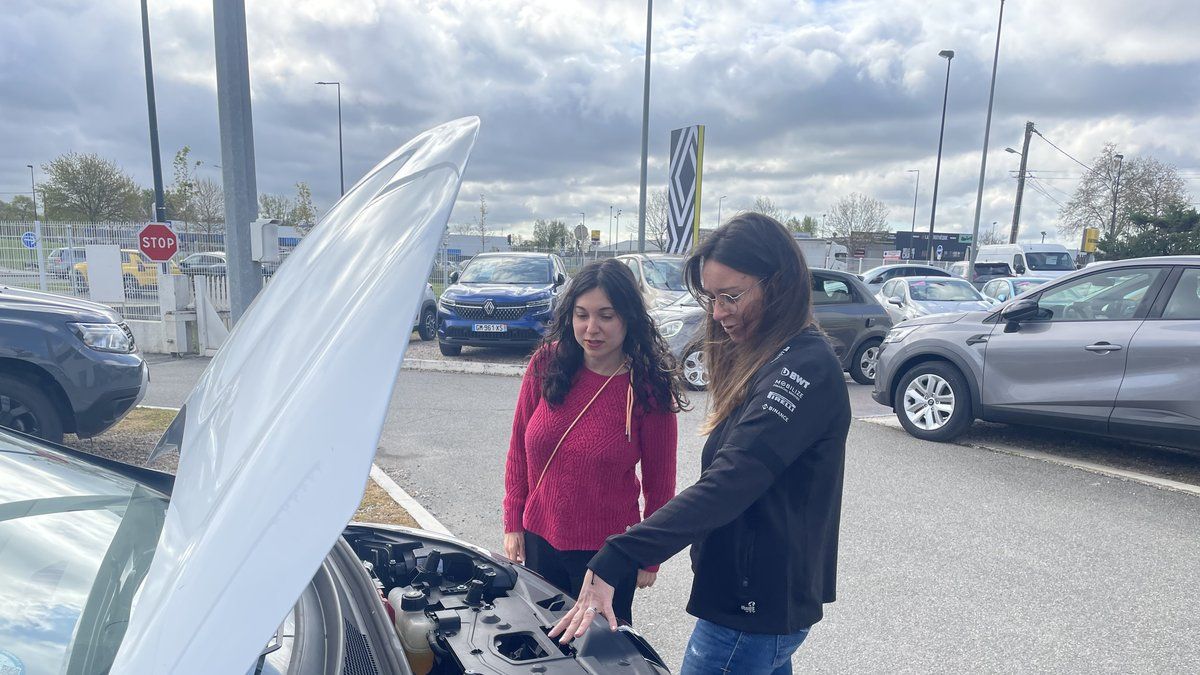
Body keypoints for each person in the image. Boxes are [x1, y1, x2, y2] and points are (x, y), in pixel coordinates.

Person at [549, 213, 851, 674]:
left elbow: (731, 481)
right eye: (711, 297)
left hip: (751, 611)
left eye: (731, 296)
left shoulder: (805, 368)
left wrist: (623, 551)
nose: (718, 312)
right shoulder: (768, 357)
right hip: (749, 601)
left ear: (781, 283)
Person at [502, 258, 687, 624]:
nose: (591, 328)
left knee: (599, 654)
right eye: (581, 314)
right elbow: (519, 451)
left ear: (629, 318)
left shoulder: (648, 387)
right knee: (542, 646)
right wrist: (513, 521)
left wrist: (650, 555)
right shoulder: (547, 364)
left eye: (606, 315)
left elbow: (660, 483)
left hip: (607, 555)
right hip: (539, 538)